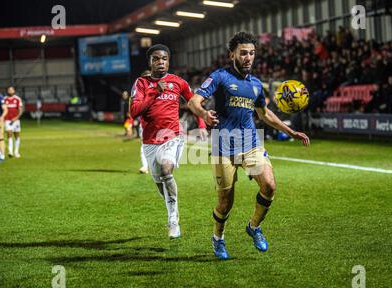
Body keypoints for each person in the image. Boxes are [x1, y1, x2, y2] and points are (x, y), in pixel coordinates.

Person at [187, 31, 310, 260]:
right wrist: (204, 114)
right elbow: (193, 101)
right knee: (225, 203)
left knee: (270, 186)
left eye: (252, 53)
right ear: (232, 53)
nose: (248, 58)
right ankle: (218, 238)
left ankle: (253, 227)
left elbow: (264, 114)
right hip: (224, 147)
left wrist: (290, 130)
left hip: (251, 144)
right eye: (243, 53)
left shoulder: (255, 84)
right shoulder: (220, 77)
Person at [129, 44, 207, 239]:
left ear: (168, 61)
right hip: (149, 141)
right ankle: (171, 210)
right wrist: (155, 92)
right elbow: (134, 111)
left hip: (172, 136)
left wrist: (202, 122)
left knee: (166, 170)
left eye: (164, 58)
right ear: (150, 62)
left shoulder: (178, 82)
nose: (160, 62)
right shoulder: (141, 83)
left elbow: (193, 103)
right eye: (156, 59)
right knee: (160, 182)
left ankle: (173, 220)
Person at [3, 86, 24, 158]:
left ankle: (16, 152)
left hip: (16, 120)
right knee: (9, 134)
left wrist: (16, 118)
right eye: (9, 90)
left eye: (12, 90)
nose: (10, 91)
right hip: (7, 120)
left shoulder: (17, 99)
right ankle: (10, 151)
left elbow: (21, 110)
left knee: (17, 136)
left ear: (14, 91)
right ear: (7, 91)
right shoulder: (4, 99)